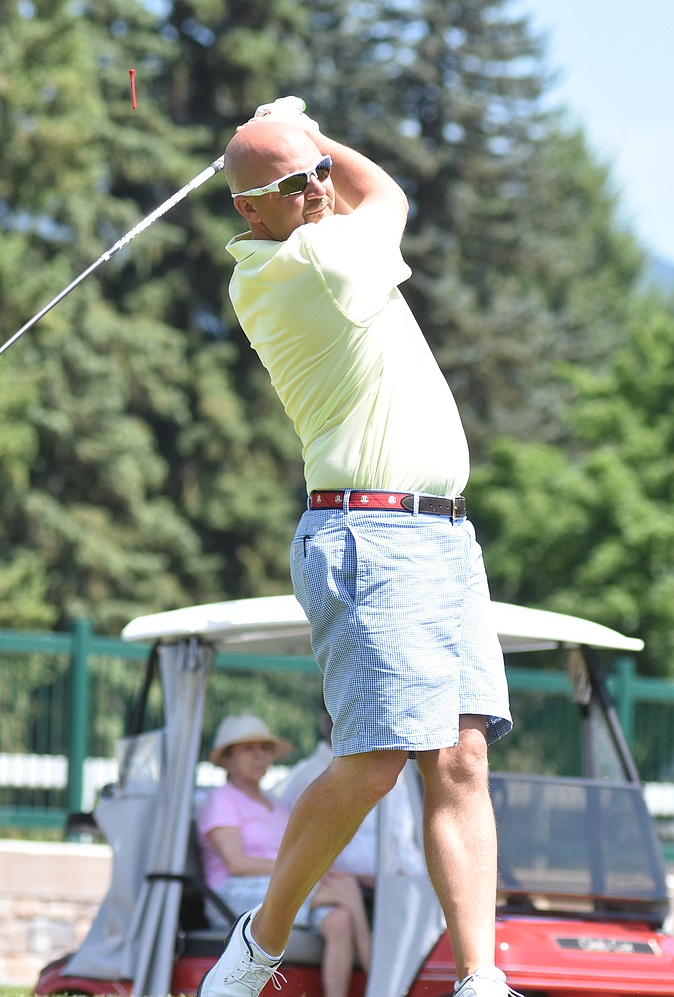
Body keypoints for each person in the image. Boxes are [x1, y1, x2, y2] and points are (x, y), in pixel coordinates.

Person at [199, 97, 514, 997]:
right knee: (377, 759)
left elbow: (353, 190)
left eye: (316, 178)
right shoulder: (311, 262)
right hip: (372, 535)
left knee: (461, 757)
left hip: (443, 535)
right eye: (295, 185)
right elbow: (393, 195)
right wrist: (308, 125)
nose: (317, 190)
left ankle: (480, 979)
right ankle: (255, 951)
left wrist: (299, 145)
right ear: (249, 209)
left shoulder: (319, 234)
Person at [197, 713, 370, 997]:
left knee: (340, 919)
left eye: (264, 749)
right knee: (344, 891)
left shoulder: (275, 806)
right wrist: (307, 875)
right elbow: (236, 863)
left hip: (269, 886)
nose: (259, 756)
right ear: (227, 758)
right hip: (230, 893)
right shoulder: (221, 799)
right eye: (248, 749)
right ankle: (382, 982)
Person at [279, 705, 425, 892]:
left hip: (397, 886)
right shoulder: (308, 777)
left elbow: (401, 841)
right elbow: (298, 845)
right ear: (327, 720)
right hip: (350, 887)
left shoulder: (391, 773)